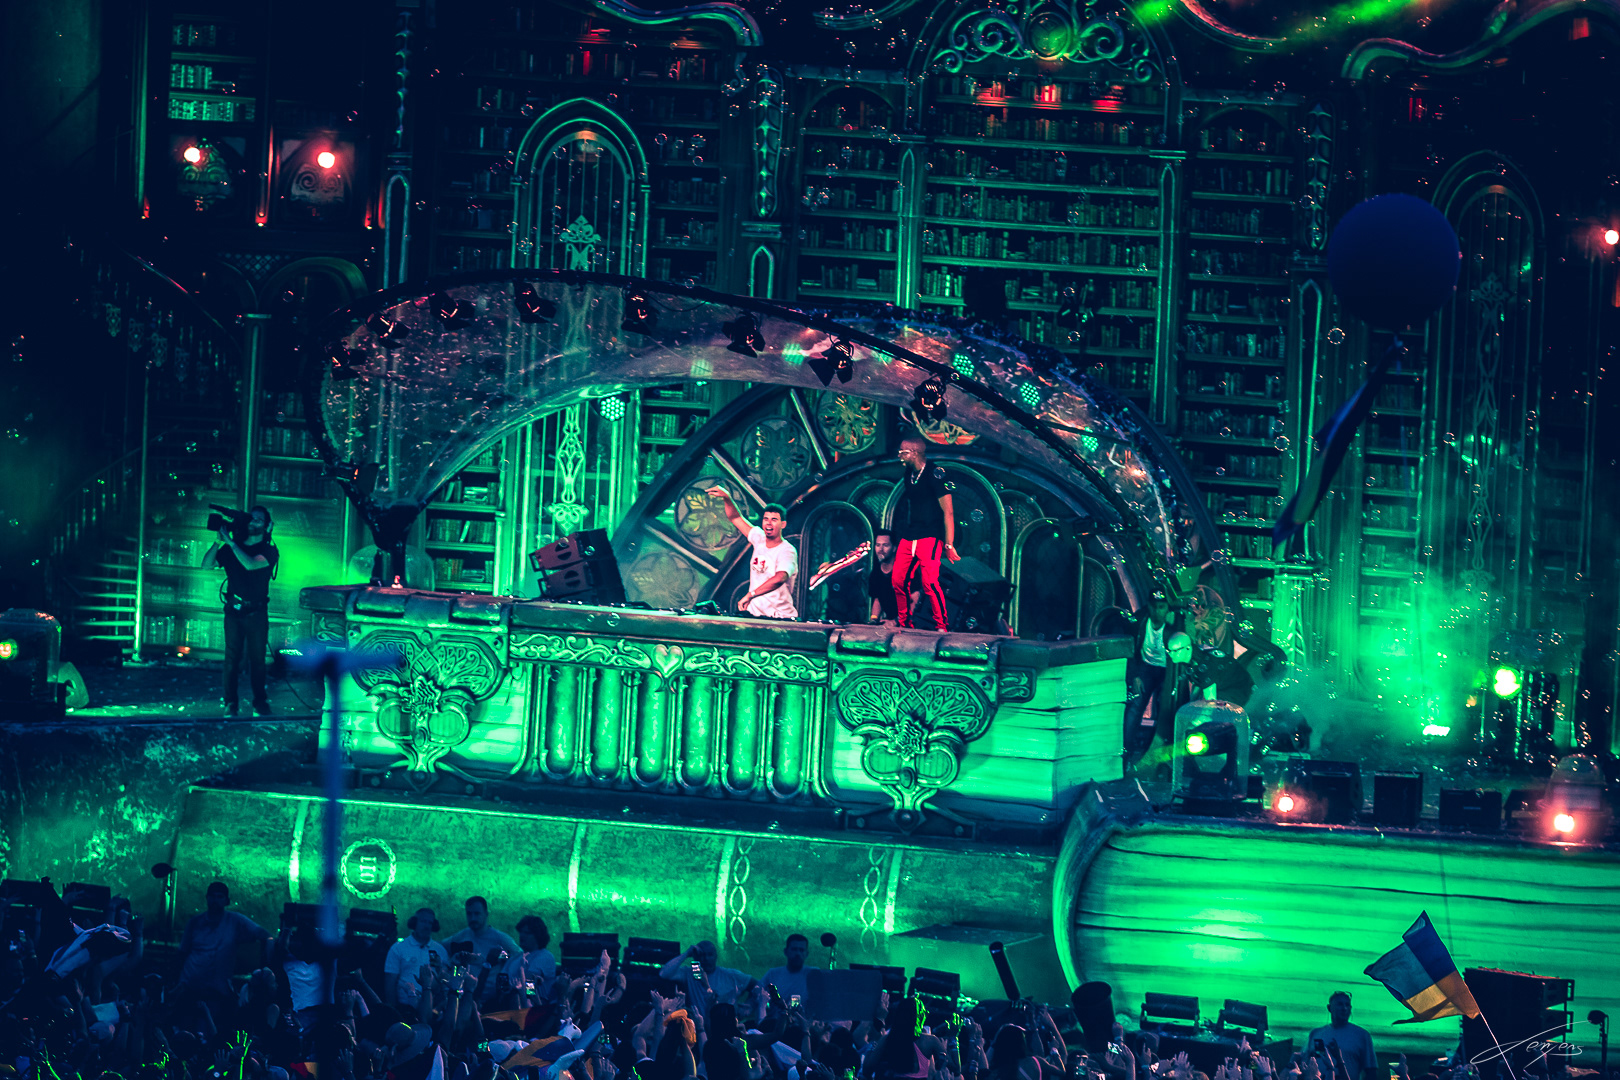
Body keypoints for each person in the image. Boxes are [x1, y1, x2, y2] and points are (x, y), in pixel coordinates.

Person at [205, 505, 280, 717]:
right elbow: (206, 565)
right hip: (234, 611)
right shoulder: (231, 548)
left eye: (259, 519)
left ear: (267, 526)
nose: (254, 522)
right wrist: (218, 542)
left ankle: (259, 702)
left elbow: (251, 564)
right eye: (251, 518)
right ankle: (230, 703)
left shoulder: (269, 550)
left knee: (258, 660)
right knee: (231, 659)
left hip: (257, 612)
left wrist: (230, 543)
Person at [172, 881, 271, 1029]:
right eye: (212, 896)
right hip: (190, 986)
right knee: (185, 1030)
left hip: (217, 991)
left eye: (219, 897)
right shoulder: (195, 922)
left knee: (212, 1030)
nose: (215, 900)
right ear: (207, 898)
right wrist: (175, 983)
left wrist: (268, 957)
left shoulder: (235, 921)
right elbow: (182, 953)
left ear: (227, 901)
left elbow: (263, 934)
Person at [891, 436, 958, 631]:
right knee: (898, 580)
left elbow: (948, 511)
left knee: (929, 582)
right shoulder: (909, 473)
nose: (900, 456)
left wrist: (949, 544)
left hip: (930, 535)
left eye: (903, 452)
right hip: (910, 533)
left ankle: (941, 625)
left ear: (914, 453)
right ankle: (905, 623)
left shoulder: (936, 474)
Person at [706, 488, 799, 620]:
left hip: (779, 616)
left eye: (774, 519)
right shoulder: (759, 538)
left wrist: (751, 594)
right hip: (755, 613)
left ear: (783, 524)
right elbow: (735, 517)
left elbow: (780, 578)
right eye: (766, 519)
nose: (769, 523)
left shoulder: (787, 550)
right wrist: (727, 498)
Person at [1125, 592, 1186, 752]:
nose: (1157, 611)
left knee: (1164, 709)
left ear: (1167, 608)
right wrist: (1135, 675)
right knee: (1135, 706)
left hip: (1167, 671)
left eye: (1161, 607)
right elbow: (1130, 649)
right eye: (1154, 606)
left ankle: (1155, 748)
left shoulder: (1173, 626)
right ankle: (1126, 748)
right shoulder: (1140, 621)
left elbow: (1182, 649)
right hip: (1145, 667)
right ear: (1148, 606)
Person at [657, 939, 758, 1026]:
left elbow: (758, 986)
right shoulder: (689, 974)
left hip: (726, 1028)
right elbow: (664, 973)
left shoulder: (730, 976)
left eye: (710, 955)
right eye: (702, 955)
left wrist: (750, 1004)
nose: (706, 959)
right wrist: (687, 953)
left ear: (716, 956)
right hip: (698, 1029)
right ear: (696, 957)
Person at [444, 895, 519, 1004]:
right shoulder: (463, 935)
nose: (473, 918)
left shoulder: (499, 938)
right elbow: (441, 946)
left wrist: (504, 957)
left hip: (492, 1001)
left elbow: (520, 957)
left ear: (486, 914)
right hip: (465, 997)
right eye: (469, 914)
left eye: (477, 914)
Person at [383, 907, 450, 1015]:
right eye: (423, 921)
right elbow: (390, 983)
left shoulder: (440, 950)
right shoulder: (398, 948)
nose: (426, 926)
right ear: (414, 923)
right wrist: (393, 1011)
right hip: (404, 1008)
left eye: (430, 923)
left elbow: (445, 981)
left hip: (433, 1008)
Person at [1306, 992, 1376, 1080]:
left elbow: (1371, 1071)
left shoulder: (1362, 1035)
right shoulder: (1316, 1033)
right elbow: (1304, 1060)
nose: (1344, 1008)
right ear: (1329, 1008)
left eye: (1347, 1005)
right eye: (1340, 1004)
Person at [502, 914, 557, 1002]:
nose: (522, 935)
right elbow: (502, 980)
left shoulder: (545, 956)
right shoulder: (515, 957)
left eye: (527, 933)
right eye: (521, 932)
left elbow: (530, 987)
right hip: (509, 1002)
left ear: (537, 935)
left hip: (534, 1005)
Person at [762, 933, 818, 1011]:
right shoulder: (772, 974)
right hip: (776, 1018)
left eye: (801, 950)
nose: (798, 953)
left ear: (806, 954)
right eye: (794, 949)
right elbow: (757, 993)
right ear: (786, 951)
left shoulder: (813, 975)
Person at [868, 531, 899, 624]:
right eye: (878, 545)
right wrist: (874, 620)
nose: (881, 549)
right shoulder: (875, 573)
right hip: (892, 624)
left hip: (913, 625)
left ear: (894, 548)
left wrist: (896, 621)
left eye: (885, 545)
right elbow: (878, 599)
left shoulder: (905, 570)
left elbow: (915, 600)